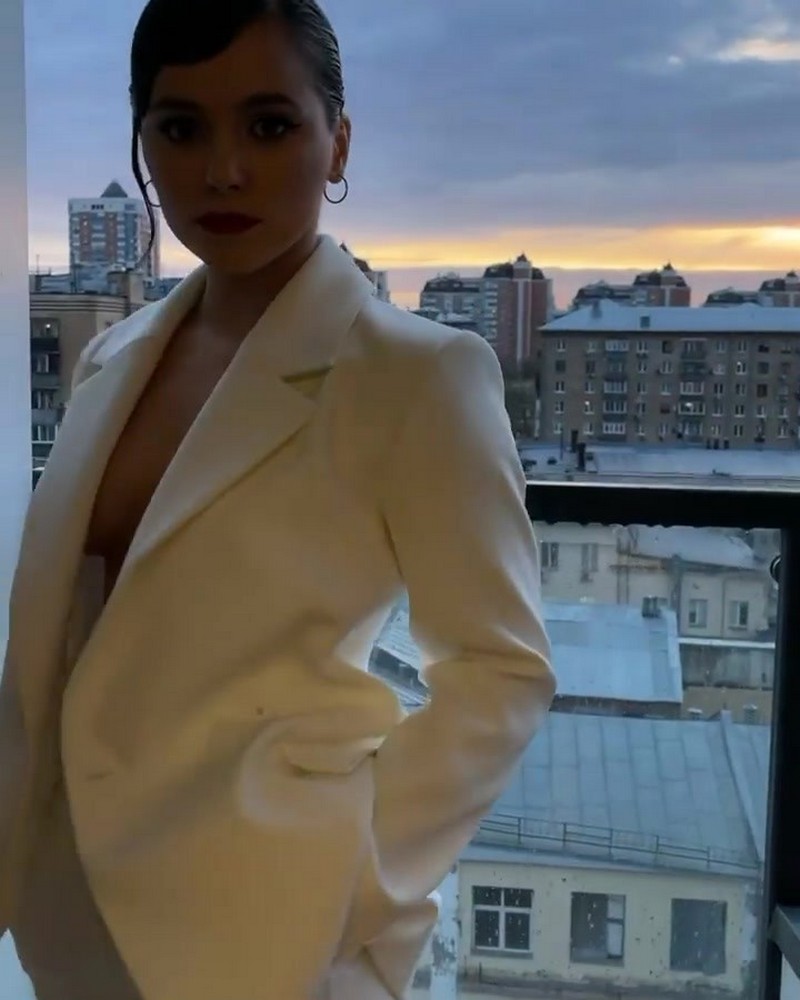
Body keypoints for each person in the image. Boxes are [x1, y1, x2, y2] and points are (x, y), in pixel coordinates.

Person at [0, 1, 555, 998]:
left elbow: (499, 673)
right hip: (70, 919)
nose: (222, 169)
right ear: (142, 144)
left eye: (268, 124)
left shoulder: (415, 375)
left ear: (336, 141)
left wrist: (353, 889)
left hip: (271, 933)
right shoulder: (110, 358)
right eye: (180, 127)